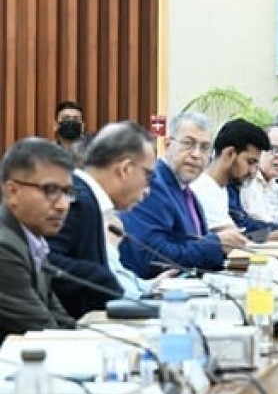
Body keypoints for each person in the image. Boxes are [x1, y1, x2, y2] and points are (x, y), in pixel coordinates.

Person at [47, 122, 163, 317]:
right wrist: (100, 278)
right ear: (125, 169)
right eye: (148, 177)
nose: (148, 190)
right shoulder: (77, 200)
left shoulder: (88, 198)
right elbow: (43, 261)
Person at [119, 112, 248, 278]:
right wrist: (216, 244)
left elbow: (193, 245)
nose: (196, 154)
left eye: (205, 148)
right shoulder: (152, 185)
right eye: (188, 144)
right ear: (167, 145)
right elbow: (152, 257)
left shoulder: (186, 191)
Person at [0, 138, 79, 342]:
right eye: (50, 190)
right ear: (12, 192)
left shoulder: (33, 240)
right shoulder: (4, 247)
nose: (63, 205)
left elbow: (60, 319)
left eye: (67, 192)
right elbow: (42, 330)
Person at [190, 118, 278, 242]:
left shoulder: (223, 189)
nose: (253, 172)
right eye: (250, 162)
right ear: (229, 154)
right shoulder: (205, 190)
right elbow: (241, 241)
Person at [54, 99, 91, 165]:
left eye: (76, 119)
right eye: (65, 118)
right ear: (56, 125)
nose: (70, 122)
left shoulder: (91, 154)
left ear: (82, 126)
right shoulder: (48, 153)